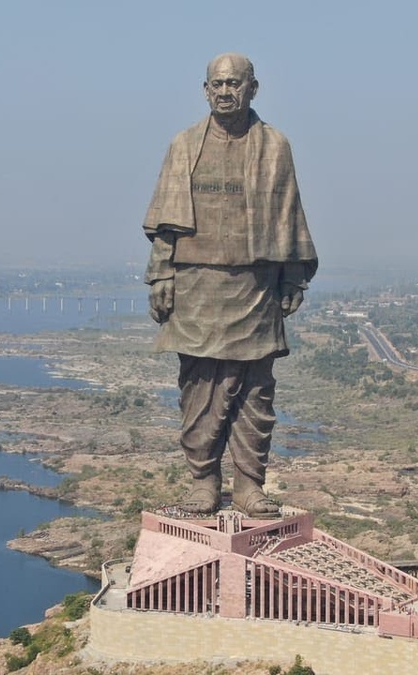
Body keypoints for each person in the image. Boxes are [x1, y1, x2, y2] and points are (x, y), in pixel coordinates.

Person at [142, 53, 317, 517]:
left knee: (256, 391)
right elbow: (165, 223)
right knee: (200, 388)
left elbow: (289, 213)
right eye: (217, 84)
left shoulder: (275, 146)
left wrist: (293, 275)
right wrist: (161, 273)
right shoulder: (184, 145)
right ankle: (203, 480)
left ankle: (249, 485)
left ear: (252, 88)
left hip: (256, 287)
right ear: (205, 90)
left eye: (234, 84)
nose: (225, 92)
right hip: (197, 285)